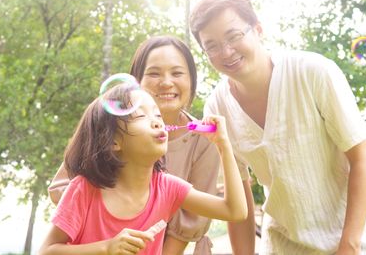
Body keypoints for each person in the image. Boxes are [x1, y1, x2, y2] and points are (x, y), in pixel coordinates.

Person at [189, 0, 366, 255]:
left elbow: (362, 158)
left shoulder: (314, 72)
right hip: (281, 243)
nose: (226, 51)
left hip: (349, 239)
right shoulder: (217, 107)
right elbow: (239, 198)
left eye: (234, 36)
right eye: (211, 46)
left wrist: (349, 245)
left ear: (258, 29)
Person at [48, 36, 221, 255]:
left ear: (191, 80)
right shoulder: (111, 127)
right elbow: (65, 189)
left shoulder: (204, 139)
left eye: (177, 73)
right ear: (136, 82)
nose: (166, 82)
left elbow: (191, 225)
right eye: (154, 73)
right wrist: (106, 239)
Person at [38, 84, 247, 255]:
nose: (157, 122)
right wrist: (106, 247)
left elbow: (235, 211)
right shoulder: (83, 190)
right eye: (140, 116)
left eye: (157, 115)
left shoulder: (167, 188)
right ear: (113, 141)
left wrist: (223, 145)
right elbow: (46, 251)